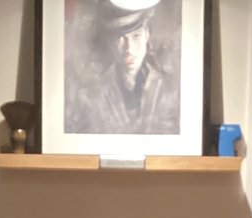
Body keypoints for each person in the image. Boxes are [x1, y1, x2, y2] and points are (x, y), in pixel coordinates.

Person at [65, 0, 180, 136]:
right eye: (121, 38)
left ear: (147, 35)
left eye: (136, 36)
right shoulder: (92, 95)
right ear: (112, 41)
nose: (129, 48)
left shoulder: (170, 91)